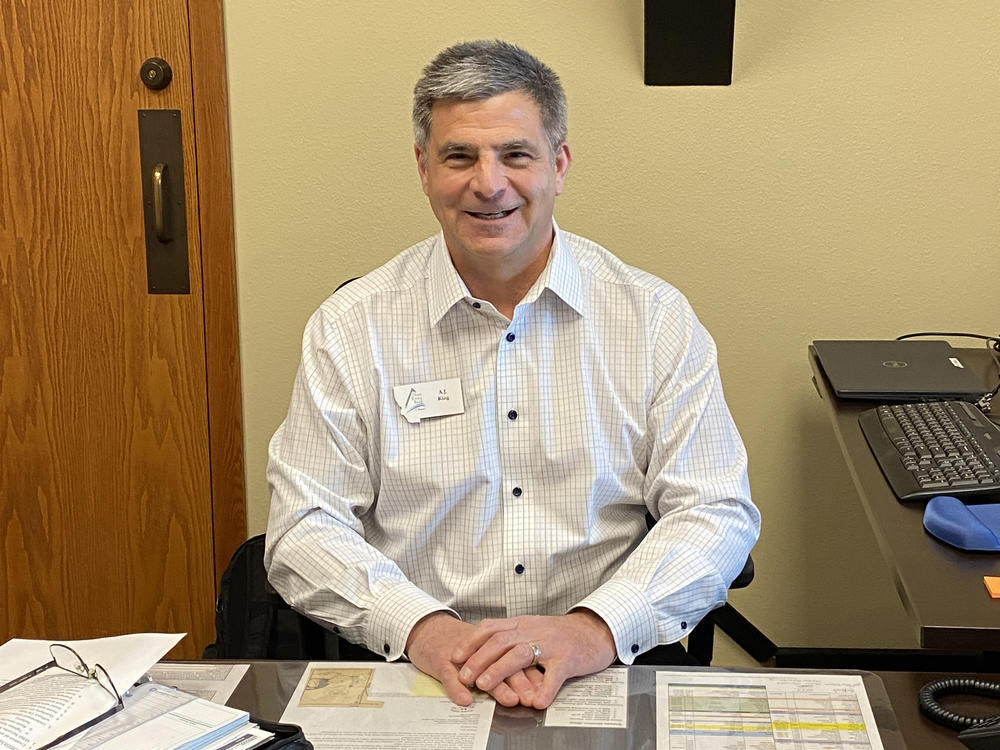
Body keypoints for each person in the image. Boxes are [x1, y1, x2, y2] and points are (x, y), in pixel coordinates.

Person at [265, 39, 760, 711]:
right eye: (459, 156)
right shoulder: (352, 327)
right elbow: (302, 527)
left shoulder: (653, 319)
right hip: (421, 672)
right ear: (423, 167)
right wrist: (424, 629)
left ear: (558, 164)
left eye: (516, 155)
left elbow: (715, 511)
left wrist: (592, 630)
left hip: (601, 669)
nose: (488, 183)